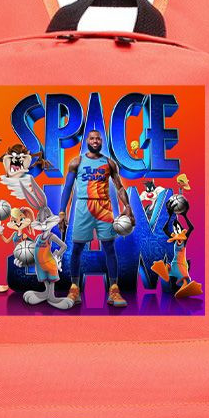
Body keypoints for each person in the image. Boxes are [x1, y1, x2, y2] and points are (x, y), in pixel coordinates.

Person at [58, 131, 135, 307]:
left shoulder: (109, 163)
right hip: (83, 206)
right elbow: (68, 187)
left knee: (109, 248)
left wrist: (128, 207)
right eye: (92, 138)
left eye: (98, 138)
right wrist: (62, 212)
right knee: (77, 248)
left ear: (102, 142)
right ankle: (74, 289)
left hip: (104, 208)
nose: (95, 141)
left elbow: (119, 187)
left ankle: (114, 290)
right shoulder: (77, 162)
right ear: (87, 141)